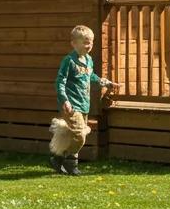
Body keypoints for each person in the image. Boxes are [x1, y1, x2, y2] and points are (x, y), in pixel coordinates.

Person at [51, 24, 119, 176]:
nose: (89, 46)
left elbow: (91, 76)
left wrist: (105, 82)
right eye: (86, 42)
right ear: (74, 43)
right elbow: (59, 82)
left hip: (84, 104)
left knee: (72, 134)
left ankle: (59, 159)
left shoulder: (88, 60)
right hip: (71, 104)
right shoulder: (69, 61)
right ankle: (68, 162)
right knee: (80, 135)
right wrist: (65, 101)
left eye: (91, 42)